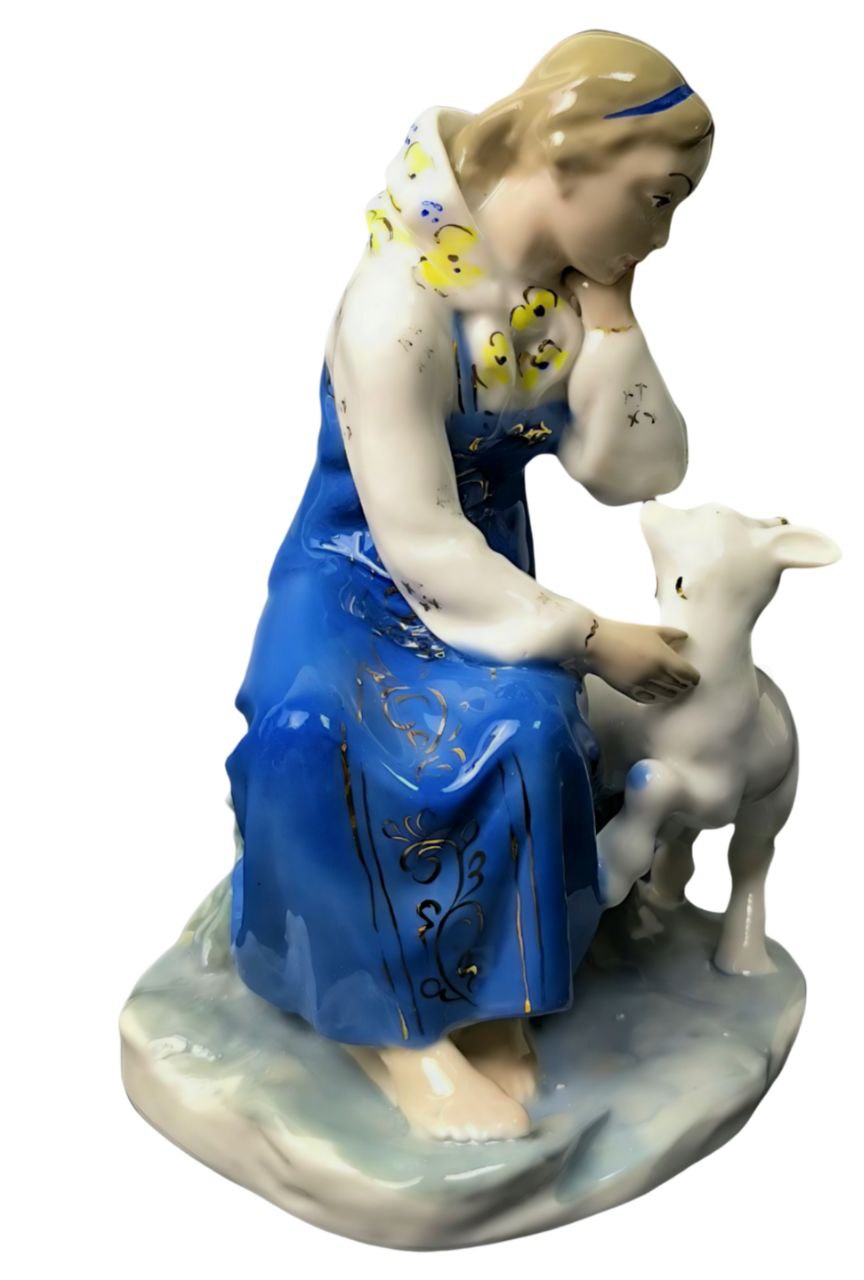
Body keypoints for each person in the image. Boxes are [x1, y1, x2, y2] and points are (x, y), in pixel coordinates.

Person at [226, 30, 714, 1141]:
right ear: (568, 158)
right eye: (657, 198)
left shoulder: (558, 307)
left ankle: (488, 995)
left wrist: (615, 315)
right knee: (320, 741)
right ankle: (388, 1029)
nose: (661, 233)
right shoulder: (395, 306)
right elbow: (416, 534)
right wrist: (590, 635)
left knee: (530, 728)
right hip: (355, 580)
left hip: (490, 586)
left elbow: (637, 471)